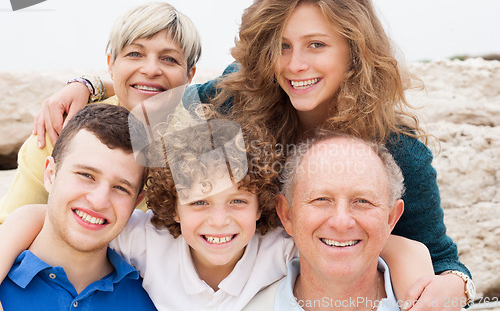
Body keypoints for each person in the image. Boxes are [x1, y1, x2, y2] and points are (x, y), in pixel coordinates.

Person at [25, 0, 474, 306]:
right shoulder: (237, 98)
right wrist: (90, 86)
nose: (295, 64)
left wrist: (458, 287)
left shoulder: (396, 148)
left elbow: (440, 258)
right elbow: (150, 103)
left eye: (316, 45)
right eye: (282, 45)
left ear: (354, 51)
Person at [0, 105, 433, 310]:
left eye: (238, 202)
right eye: (199, 201)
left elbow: (383, 245)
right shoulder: (146, 240)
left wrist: (426, 283)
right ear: (171, 208)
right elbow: (55, 218)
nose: (219, 220)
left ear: (265, 207)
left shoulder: (276, 246)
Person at [0, 1, 201, 223]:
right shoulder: (62, 130)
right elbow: (9, 224)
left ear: (189, 75)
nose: (151, 69)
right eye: (135, 54)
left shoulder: (203, 148)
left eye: (169, 59)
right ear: (111, 63)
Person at [0, 104, 156, 310]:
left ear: (136, 202)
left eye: (120, 188)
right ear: (50, 175)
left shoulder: (154, 299)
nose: (99, 200)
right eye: (86, 175)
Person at [243, 132, 407, 311]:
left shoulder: (430, 303)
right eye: (321, 199)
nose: (341, 222)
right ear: (287, 214)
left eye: (362, 201)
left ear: (391, 218)